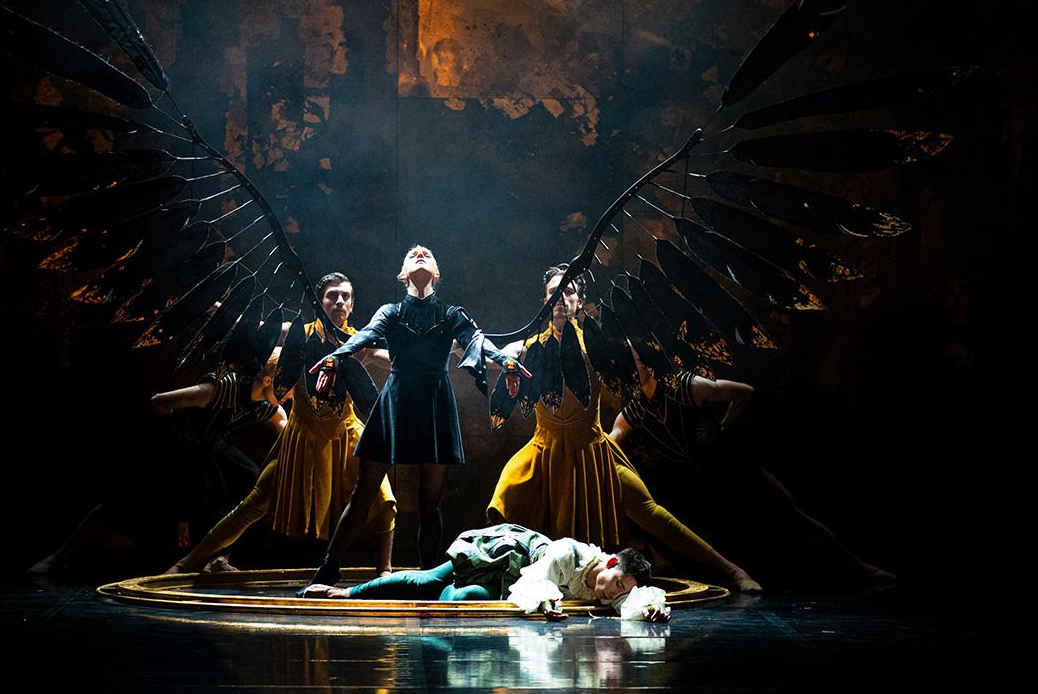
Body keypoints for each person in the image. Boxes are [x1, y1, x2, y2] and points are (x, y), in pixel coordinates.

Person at [486, 267, 761, 593]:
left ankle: (732, 571)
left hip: (593, 449)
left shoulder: (598, 346)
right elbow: (501, 355)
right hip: (545, 450)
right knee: (503, 506)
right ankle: (484, 576)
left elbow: (644, 356)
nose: (561, 300)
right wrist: (470, 348)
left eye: (569, 292)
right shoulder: (531, 347)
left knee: (654, 515)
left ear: (580, 302)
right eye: (553, 294)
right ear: (544, 302)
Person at [298, 245, 531, 591]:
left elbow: (477, 341)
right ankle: (329, 567)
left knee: (429, 501)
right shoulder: (390, 311)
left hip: (434, 405)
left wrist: (506, 361)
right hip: (396, 402)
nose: (420, 253)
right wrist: (336, 356)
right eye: (412, 254)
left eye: (427, 254)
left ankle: (426, 577)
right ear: (403, 274)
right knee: (365, 489)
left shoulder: (452, 314)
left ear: (436, 274)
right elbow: (366, 335)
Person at [164, 272, 398, 575]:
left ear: (352, 305)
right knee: (255, 503)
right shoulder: (298, 333)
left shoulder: (359, 341)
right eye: (332, 295)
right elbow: (251, 329)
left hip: (346, 436)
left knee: (384, 500)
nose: (339, 301)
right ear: (319, 302)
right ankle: (187, 562)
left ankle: (385, 571)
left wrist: (438, 352)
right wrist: (207, 305)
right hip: (301, 436)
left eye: (345, 296)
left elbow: (393, 357)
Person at [610, 355, 895, 586]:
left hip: (736, 466)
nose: (634, 366)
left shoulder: (687, 385)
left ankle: (857, 567)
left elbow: (743, 392)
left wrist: (721, 427)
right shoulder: (635, 410)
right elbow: (611, 439)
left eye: (637, 359)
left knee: (790, 514)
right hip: (704, 480)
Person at [29, 361, 284, 574]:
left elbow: (282, 419)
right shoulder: (225, 387)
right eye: (286, 385)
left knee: (247, 482)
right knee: (121, 503)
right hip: (170, 443)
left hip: (205, 449)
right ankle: (60, 556)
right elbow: (159, 402)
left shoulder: (263, 405)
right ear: (266, 381)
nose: (289, 393)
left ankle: (217, 559)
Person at [304, 523, 669, 622]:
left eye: (622, 591)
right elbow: (535, 580)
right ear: (609, 564)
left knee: (463, 601)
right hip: (502, 555)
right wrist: (545, 604)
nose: (613, 593)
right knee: (429, 580)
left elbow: (643, 600)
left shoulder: (616, 590)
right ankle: (346, 593)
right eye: (617, 583)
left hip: (505, 586)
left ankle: (439, 625)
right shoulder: (567, 553)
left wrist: (654, 608)